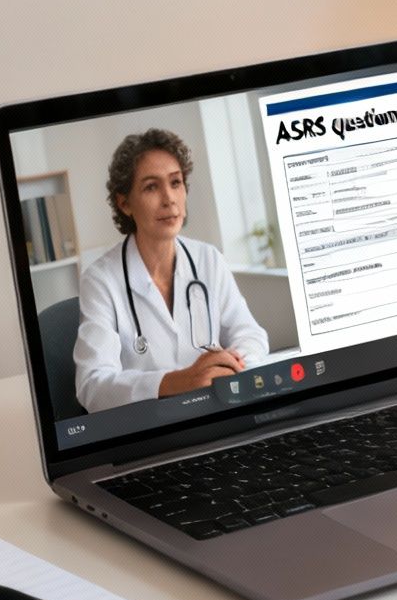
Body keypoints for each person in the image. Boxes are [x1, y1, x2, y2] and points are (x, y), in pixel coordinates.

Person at [73, 128, 268, 411]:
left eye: (176, 183)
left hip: (217, 410)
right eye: (151, 187)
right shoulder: (101, 280)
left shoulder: (208, 259)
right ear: (124, 203)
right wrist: (180, 381)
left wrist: (227, 368)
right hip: (151, 428)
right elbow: (93, 386)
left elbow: (251, 336)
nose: (169, 199)